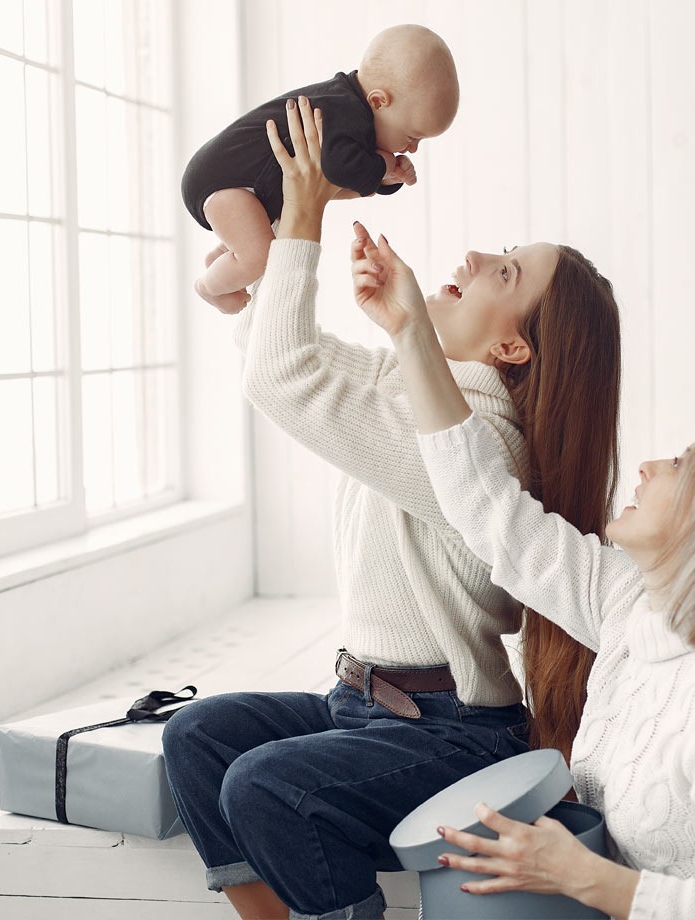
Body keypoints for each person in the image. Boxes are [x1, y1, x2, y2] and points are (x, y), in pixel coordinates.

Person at [163, 96, 621, 920]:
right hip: (361, 705)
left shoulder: (480, 440)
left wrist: (303, 220)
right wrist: (257, 281)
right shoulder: (414, 393)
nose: (475, 255)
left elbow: (285, 380)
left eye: (505, 272)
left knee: (264, 784)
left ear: (511, 346)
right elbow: (296, 361)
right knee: (196, 736)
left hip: (448, 732)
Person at [349, 232, 695, 918]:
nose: (649, 466)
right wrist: (411, 331)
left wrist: (583, 877)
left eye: (681, 466)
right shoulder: (629, 607)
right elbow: (487, 511)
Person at [182, 24, 456, 315]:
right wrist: (385, 165)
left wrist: (387, 178)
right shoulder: (346, 114)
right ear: (378, 101)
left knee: (257, 239)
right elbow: (340, 169)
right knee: (259, 255)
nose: (412, 148)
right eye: (412, 136)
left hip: (243, 185)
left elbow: (344, 178)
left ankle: (222, 257)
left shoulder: (351, 111)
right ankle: (208, 287)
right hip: (222, 181)